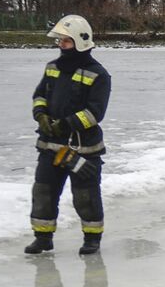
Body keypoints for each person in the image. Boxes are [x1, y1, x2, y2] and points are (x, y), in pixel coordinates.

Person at [26, 15, 110, 256]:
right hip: (50, 146)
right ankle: (42, 238)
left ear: (81, 41)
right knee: (43, 192)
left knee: (86, 196)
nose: (61, 45)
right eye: (60, 41)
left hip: (82, 148)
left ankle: (92, 238)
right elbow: (39, 95)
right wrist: (41, 115)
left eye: (66, 41)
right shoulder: (52, 68)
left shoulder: (98, 75)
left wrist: (65, 125)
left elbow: (95, 113)